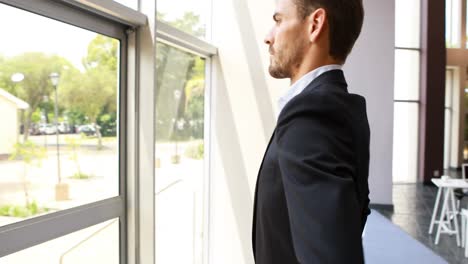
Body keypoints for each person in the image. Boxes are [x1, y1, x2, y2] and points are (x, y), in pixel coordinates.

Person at [251, 0, 370, 263]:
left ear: (314, 24)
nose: (268, 37)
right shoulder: (344, 107)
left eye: (279, 20)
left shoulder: (312, 115)